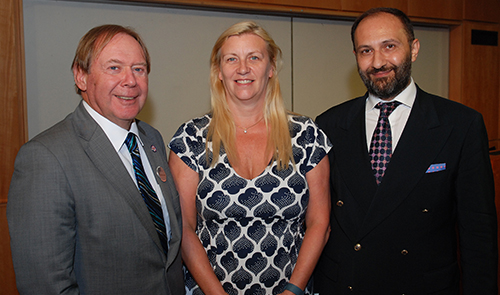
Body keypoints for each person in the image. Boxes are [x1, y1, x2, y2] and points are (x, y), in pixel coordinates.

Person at [314, 7, 498, 294]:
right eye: (365, 51)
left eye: (389, 46)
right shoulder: (330, 124)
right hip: (347, 283)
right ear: (355, 58)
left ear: (413, 49)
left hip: (421, 285)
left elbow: (478, 232)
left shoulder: (460, 124)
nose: (377, 62)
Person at [7, 24, 184, 294]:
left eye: (139, 69)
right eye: (114, 68)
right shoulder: (46, 158)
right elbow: (45, 286)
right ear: (81, 76)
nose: (130, 80)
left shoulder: (152, 139)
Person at [168, 21, 331, 295]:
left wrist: (294, 290)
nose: (243, 68)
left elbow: (319, 223)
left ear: (271, 68)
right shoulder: (191, 138)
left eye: (254, 57)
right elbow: (183, 228)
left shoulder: (306, 135)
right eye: (232, 59)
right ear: (219, 71)